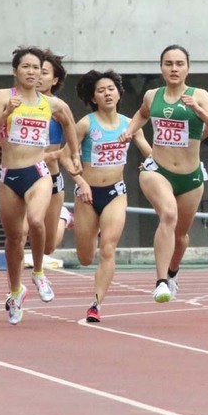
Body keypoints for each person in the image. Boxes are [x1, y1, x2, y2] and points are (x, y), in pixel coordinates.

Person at [0, 46, 81, 325]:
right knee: (13, 239)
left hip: (38, 172)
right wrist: (4, 114)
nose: (31, 72)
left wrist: (73, 155)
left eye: (36, 68)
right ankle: (16, 291)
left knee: (37, 221)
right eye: (25, 67)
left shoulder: (50, 104)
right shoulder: (4, 97)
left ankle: (38, 273)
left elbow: (70, 123)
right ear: (15, 71)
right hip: (9, 174)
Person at [119, 45, 208, 304]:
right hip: (157, 170)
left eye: (179, 63)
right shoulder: (152, 95)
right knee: (168, 215)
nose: (174, 68)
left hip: (190, 177)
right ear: (161, 67)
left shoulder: (199, 95)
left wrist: (200, 111)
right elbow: (141, 114)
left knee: (180, 236)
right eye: (169, 64)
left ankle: (173, 272)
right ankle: (160, 282)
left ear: (188, 67)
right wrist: (130, 130)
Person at [73, 70, 151, 323]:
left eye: (111, 89)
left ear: (118, 93)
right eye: (100, 90)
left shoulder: (130, 125)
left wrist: (149, 165)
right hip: (86, 194)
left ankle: (95, 304)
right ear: (94, 98)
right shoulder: (86, 123)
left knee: (108, 248)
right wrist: (81, 181)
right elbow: (66, 155)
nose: (107, 93)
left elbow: (150, 154)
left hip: (115, 192)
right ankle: (83, 226)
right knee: (86, 257)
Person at [20, 49, 70, 261]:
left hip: (50, 177)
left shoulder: (58, 108)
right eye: (37, 70)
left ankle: (64, 218)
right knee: (21, 232)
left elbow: (77, 143)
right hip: (22, 172)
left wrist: (53, 155)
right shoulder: (19, 102)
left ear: (54, 79)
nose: (39, 76)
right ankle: (16, 286)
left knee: (47, 247)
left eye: (45, 73)